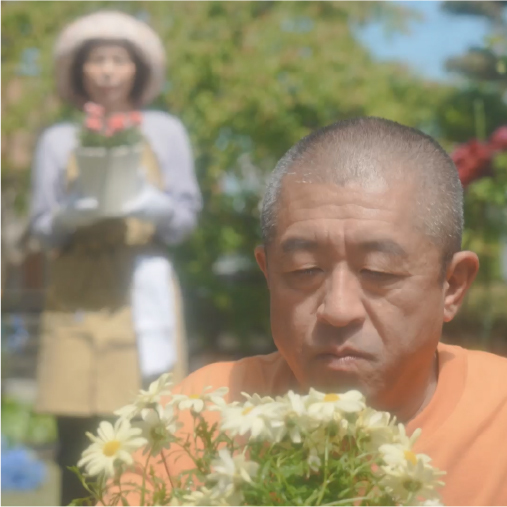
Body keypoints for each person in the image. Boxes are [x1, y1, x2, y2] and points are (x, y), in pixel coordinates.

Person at [112, 117, 507, 506]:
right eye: (304, 270)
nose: (337, 310)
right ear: (268, 274)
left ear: (452, 286)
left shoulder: (497, 417)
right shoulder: (200, 418)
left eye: (377, 272)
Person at [29, 11, 202, 506]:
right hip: (76, 290)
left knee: (145, 428)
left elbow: (186, 219)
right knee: (77, 440)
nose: (107, 71)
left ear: (137, 70)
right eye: (97, 60)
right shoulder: (57, 140)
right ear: (80, 70)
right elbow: (41, 226)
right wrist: (69, 216)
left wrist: (154, 204)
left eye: (118, 60)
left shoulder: (165, 131)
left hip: (141, 283)